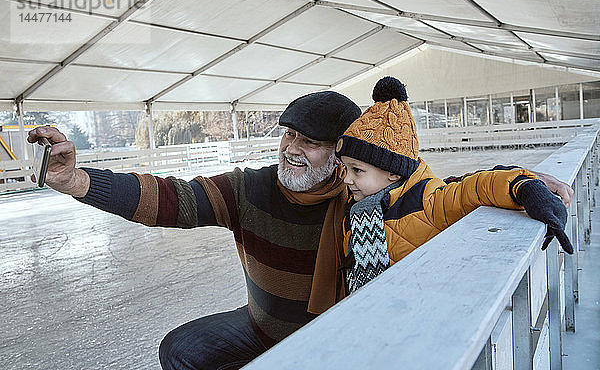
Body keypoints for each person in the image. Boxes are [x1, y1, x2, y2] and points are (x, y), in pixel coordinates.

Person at [28, 89, 573, 370]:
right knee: (182, 349)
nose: (291, 148)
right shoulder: (252, 188)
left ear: (343, 154)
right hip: (264, 324)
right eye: (288, 133)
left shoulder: (365, 195)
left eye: (309, 140)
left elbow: (446, 189)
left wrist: (523, 181)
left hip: (339, 339)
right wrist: (78, 179)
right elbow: (170, 198)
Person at [335, 77, 573, 293]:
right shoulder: (360, 205)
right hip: (367, 310)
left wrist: (525, 189)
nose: (347, 179)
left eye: (357, 170)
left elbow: (476, 187)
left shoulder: (428, 201)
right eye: (346, 168)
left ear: (393, 174)